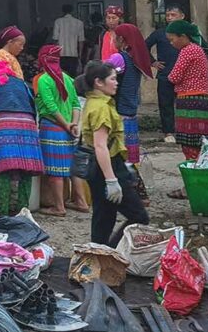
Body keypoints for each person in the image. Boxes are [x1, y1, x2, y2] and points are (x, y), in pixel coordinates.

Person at [80, 61, 149, 246]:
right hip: (107, 167)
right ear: (98, 82)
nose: (116, 82)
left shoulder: (94, 103)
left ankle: (98, 256)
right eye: (112, 79)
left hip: (103, 167)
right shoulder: (101, 108)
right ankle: (111, 252)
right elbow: (100, 145)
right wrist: (112, 180)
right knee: (139, 216)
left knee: (104, 218)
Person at [0, 58, 43, 216]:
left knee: (3, 169)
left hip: (3, 124)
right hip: (28, 124)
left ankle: (3, 213)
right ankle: (23, 211)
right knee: (26, 169)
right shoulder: (21, 83)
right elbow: (32, 105)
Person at [33, 44, 85, 216]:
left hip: (52, 128)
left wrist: (64, 124)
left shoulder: (43, 80)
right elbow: (76, 104)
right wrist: (73, 124)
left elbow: (50, 107)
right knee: (72, 168)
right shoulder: (68, 79)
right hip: (71, 129)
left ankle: (59, 207)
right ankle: (81, 202)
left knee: (55, 169)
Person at [166, 20, 208, 162]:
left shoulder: (188, 50)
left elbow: (174, 76)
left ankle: (196, 177)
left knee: (191, 146)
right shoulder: (198, 49)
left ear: (182, 36)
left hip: (190, 102)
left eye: (172, 39)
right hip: (204, 101)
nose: (171, 43)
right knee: (204, 146)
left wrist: (168, 76)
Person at [113, 23, 154, 168]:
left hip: (118, 109)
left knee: (118, 154)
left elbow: (100, 74)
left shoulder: (119, 58)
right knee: (130, 156)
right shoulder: (136, 59)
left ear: (121, 40)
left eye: (115, 37)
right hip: (131, 109)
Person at [146, 5, 185, 143]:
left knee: (185, 104)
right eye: (167, 15)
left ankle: (185, 131)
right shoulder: (160, 33)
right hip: (165, 74)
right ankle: (168, 132)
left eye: (173, 15)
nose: (169, 18)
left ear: (182, 16)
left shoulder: (188, 33)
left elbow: (203, 48)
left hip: (185, 75)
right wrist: (153, 62)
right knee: (165, 104)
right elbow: (144, 46)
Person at [51, 4, 85, 76]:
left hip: (61, 54)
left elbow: (55, 39)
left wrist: (55, 54)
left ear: (63, 11)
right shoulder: (79, 23)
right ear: (72, 11)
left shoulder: (58, 22)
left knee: (62, 76)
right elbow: (81, 41)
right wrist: (80, 55)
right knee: (72, 77)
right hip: (73, 55)